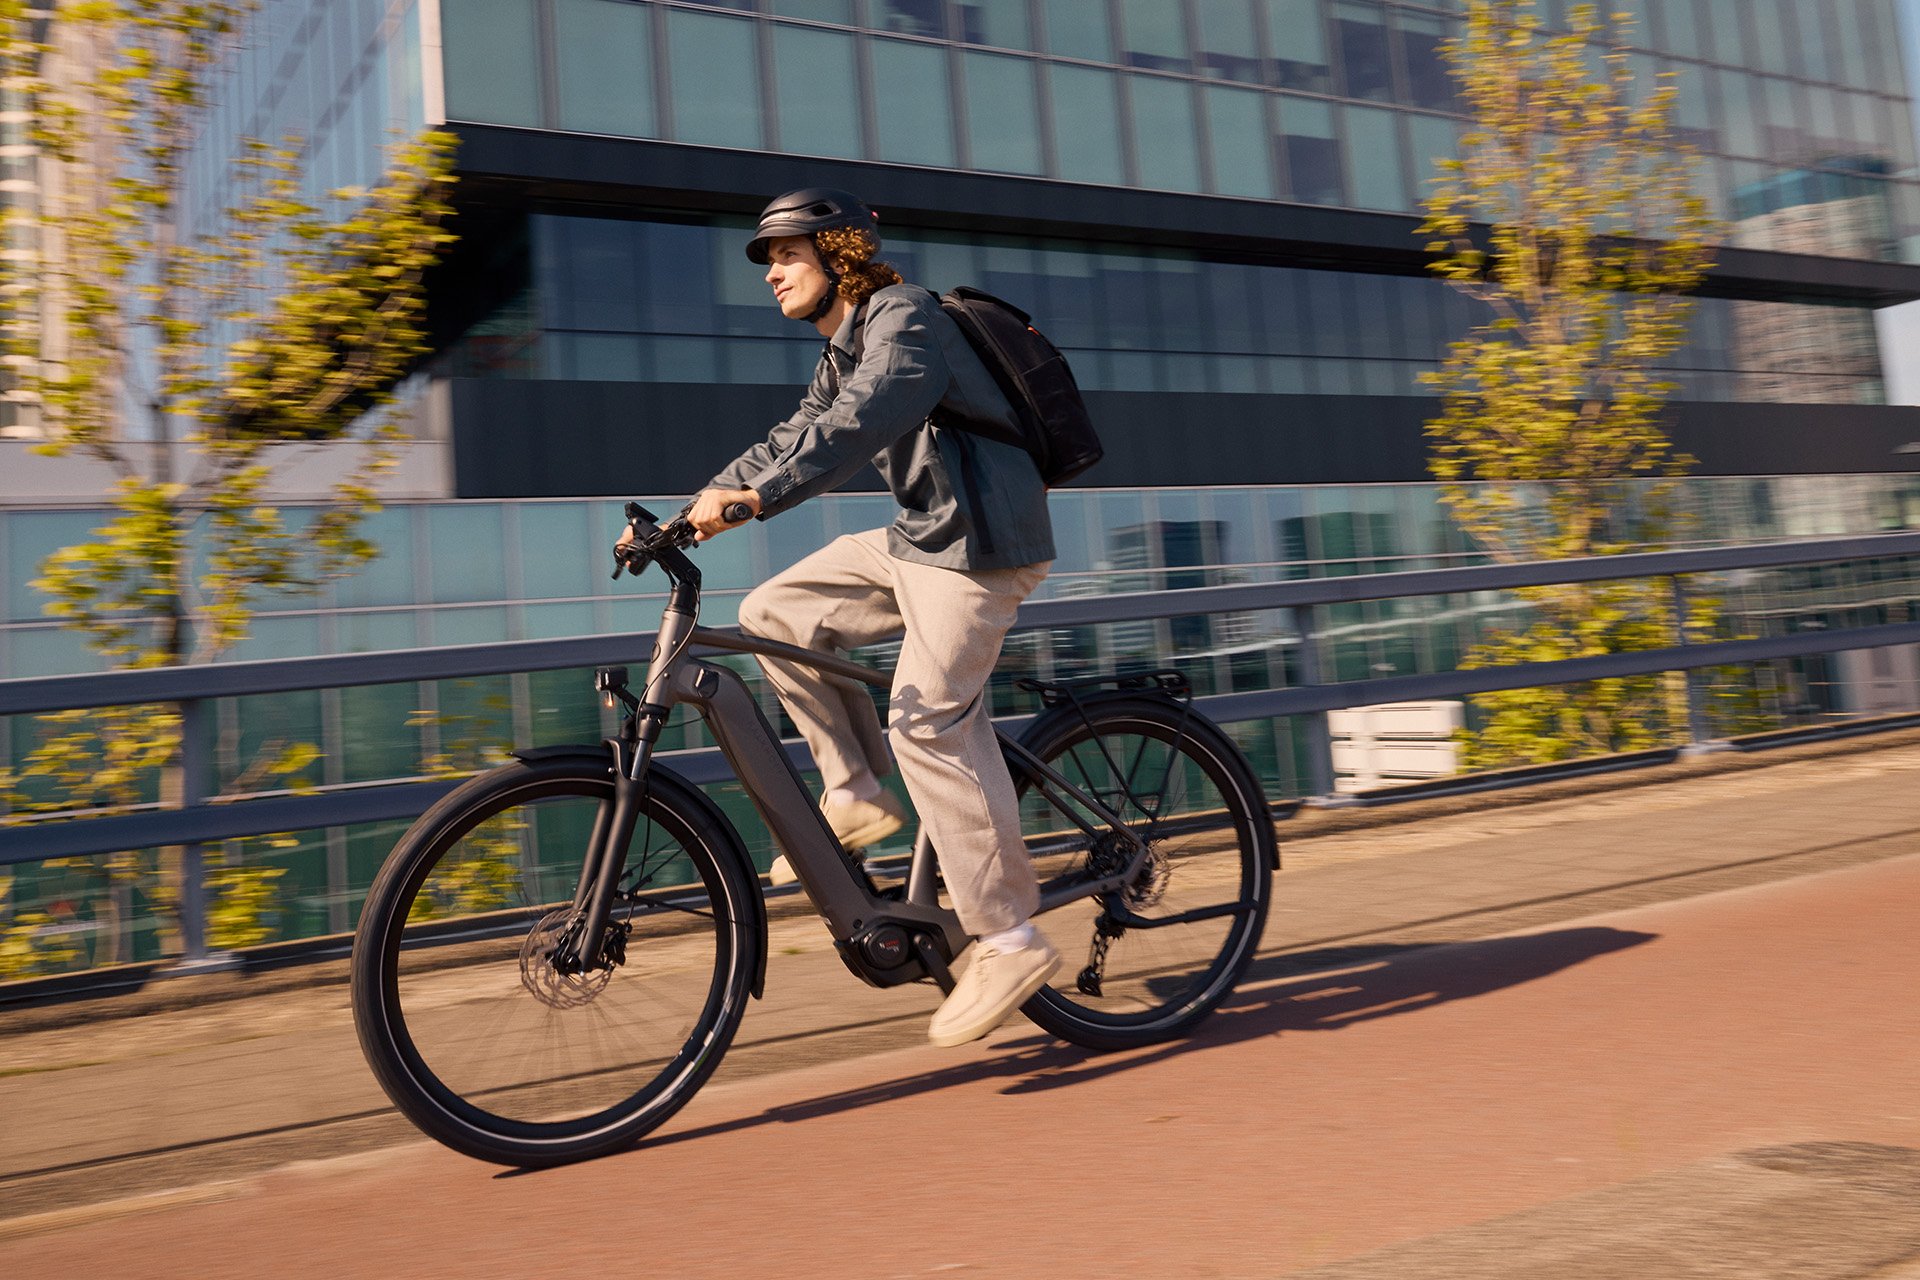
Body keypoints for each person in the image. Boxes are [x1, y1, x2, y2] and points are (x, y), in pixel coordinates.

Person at [684, 187, 1058, 1048]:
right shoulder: (842, 347)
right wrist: (693, 508)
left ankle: (1009, 937)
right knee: (772, 610)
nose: (772, 273)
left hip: (982, 550)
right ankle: (854, 789)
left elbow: (860, 421)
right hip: (919, 542)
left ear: (836, 251)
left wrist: (756, 500)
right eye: (769, 260)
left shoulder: (905, 319)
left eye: (786, 254)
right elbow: (795, 433)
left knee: (926, 725)